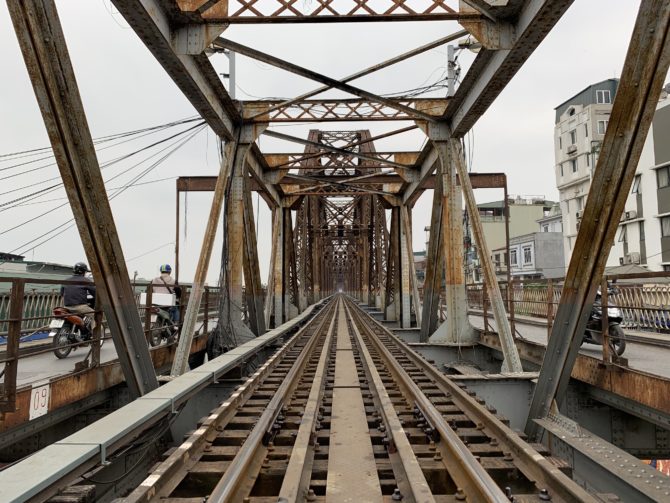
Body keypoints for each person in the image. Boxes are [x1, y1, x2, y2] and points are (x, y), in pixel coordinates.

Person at [61, 262, 96, 333]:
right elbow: (95, 293)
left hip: (66, 307)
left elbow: (62, 294)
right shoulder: (85, 280)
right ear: (83, 271)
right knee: (94, 315)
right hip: (80, 307)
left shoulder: (66, 280)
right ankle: (95, 334)